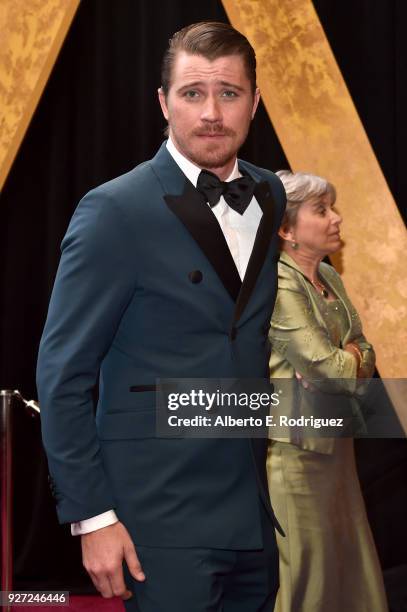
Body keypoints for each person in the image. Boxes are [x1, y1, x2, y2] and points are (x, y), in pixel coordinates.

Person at [37, 22, 286, 612]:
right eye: (192, 93)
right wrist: (91, 516)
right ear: (163, 102)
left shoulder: (269, 193)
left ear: (255, 101)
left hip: (250, 505)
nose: (211, 113)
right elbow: (63, 374)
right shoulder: (114, 210)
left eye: (228, 93)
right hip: (157, 514)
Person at [266, 170, 388, 611]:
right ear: (286, 230)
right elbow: (331, 369)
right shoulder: (280, 284)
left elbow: (362, 349)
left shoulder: (330, 278)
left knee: (348, 564)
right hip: (298, 453)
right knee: (308, 574)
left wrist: (351, 358)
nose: (336, 219)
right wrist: (349, 359)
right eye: (321, 211)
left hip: (336, 443)